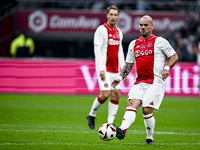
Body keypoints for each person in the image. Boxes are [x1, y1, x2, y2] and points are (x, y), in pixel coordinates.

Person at [111, 15, 178, 144]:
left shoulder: (160, 41)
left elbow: (174, 56)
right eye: (141, 25)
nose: (143, 27)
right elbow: (128, 65)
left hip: (155, 82)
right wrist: (120, 77)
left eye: (146, 25)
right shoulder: (133, 44)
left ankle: (150, 137)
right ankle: (122, 130)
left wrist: (167, 68)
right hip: (139, 82)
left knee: (146, 110)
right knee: (131, 105)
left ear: (152, 26)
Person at [86, 5, 127, 129]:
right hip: (105, 69)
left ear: (118, 17)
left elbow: (120, 52)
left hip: (116, 71)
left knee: (116, 95)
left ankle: (110, 124)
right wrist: (101, 69)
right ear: (107, 15)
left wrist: (123, 71)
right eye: (111, 14)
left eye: (115, 15)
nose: (113, 17)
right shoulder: (101, 30)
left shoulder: (119, 32)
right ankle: (91, 114)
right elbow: (97, 50)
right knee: (105, 94)